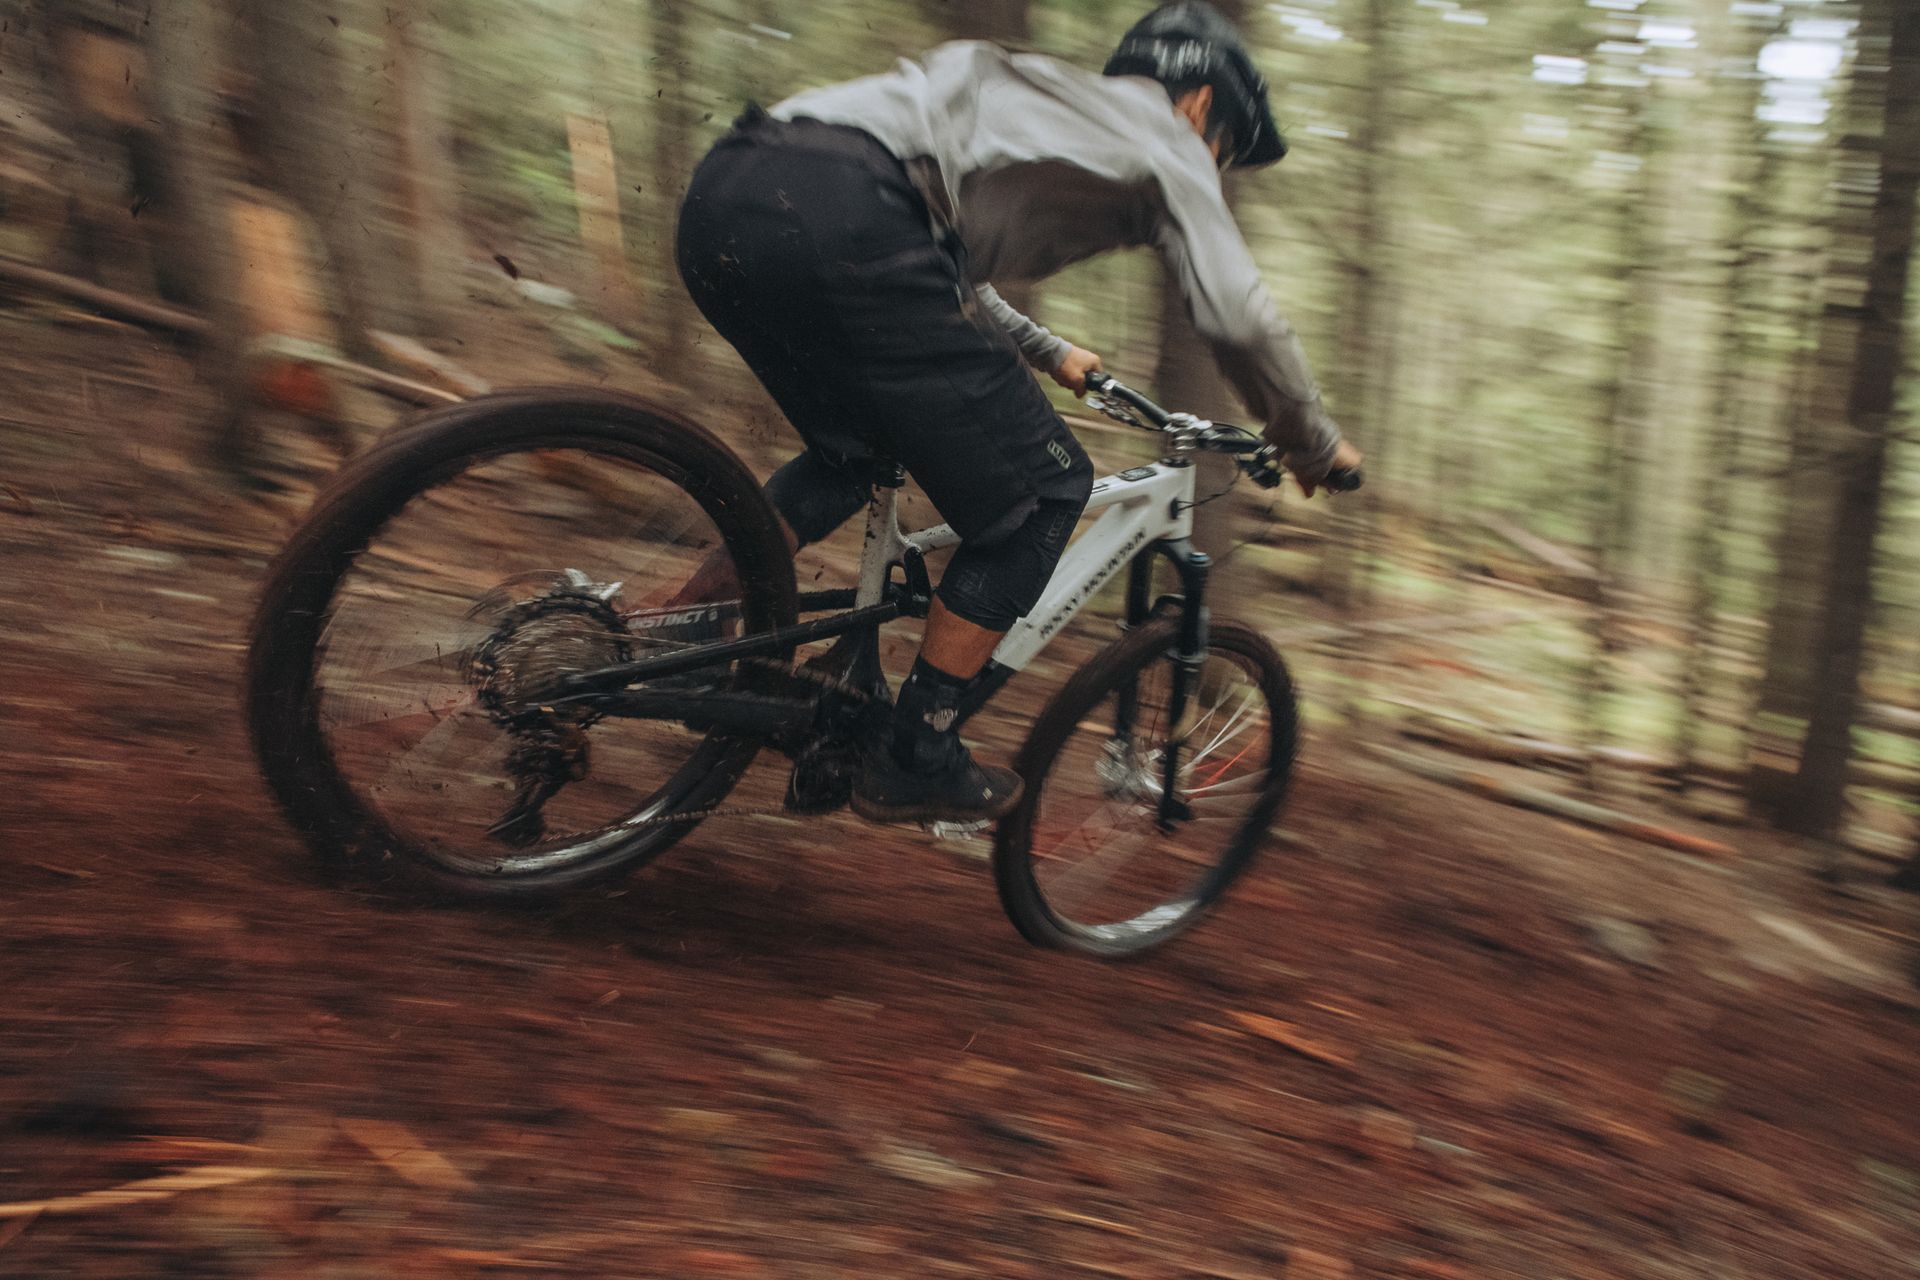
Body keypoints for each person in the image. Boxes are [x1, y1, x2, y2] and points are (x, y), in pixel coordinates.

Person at [674, 1, 1363, 826]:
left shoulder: (1044, 101)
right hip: (851, 215)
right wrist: (1310, 442)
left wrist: (1047, 351)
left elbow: (930, 255)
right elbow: (1242, 318)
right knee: (1044, 491)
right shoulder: (1173, 138)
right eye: (1225, 153)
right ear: (1201, 105)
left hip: (733, 187)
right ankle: (915, 753)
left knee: (853, 453)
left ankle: (687, 632)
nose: (1213, 173)